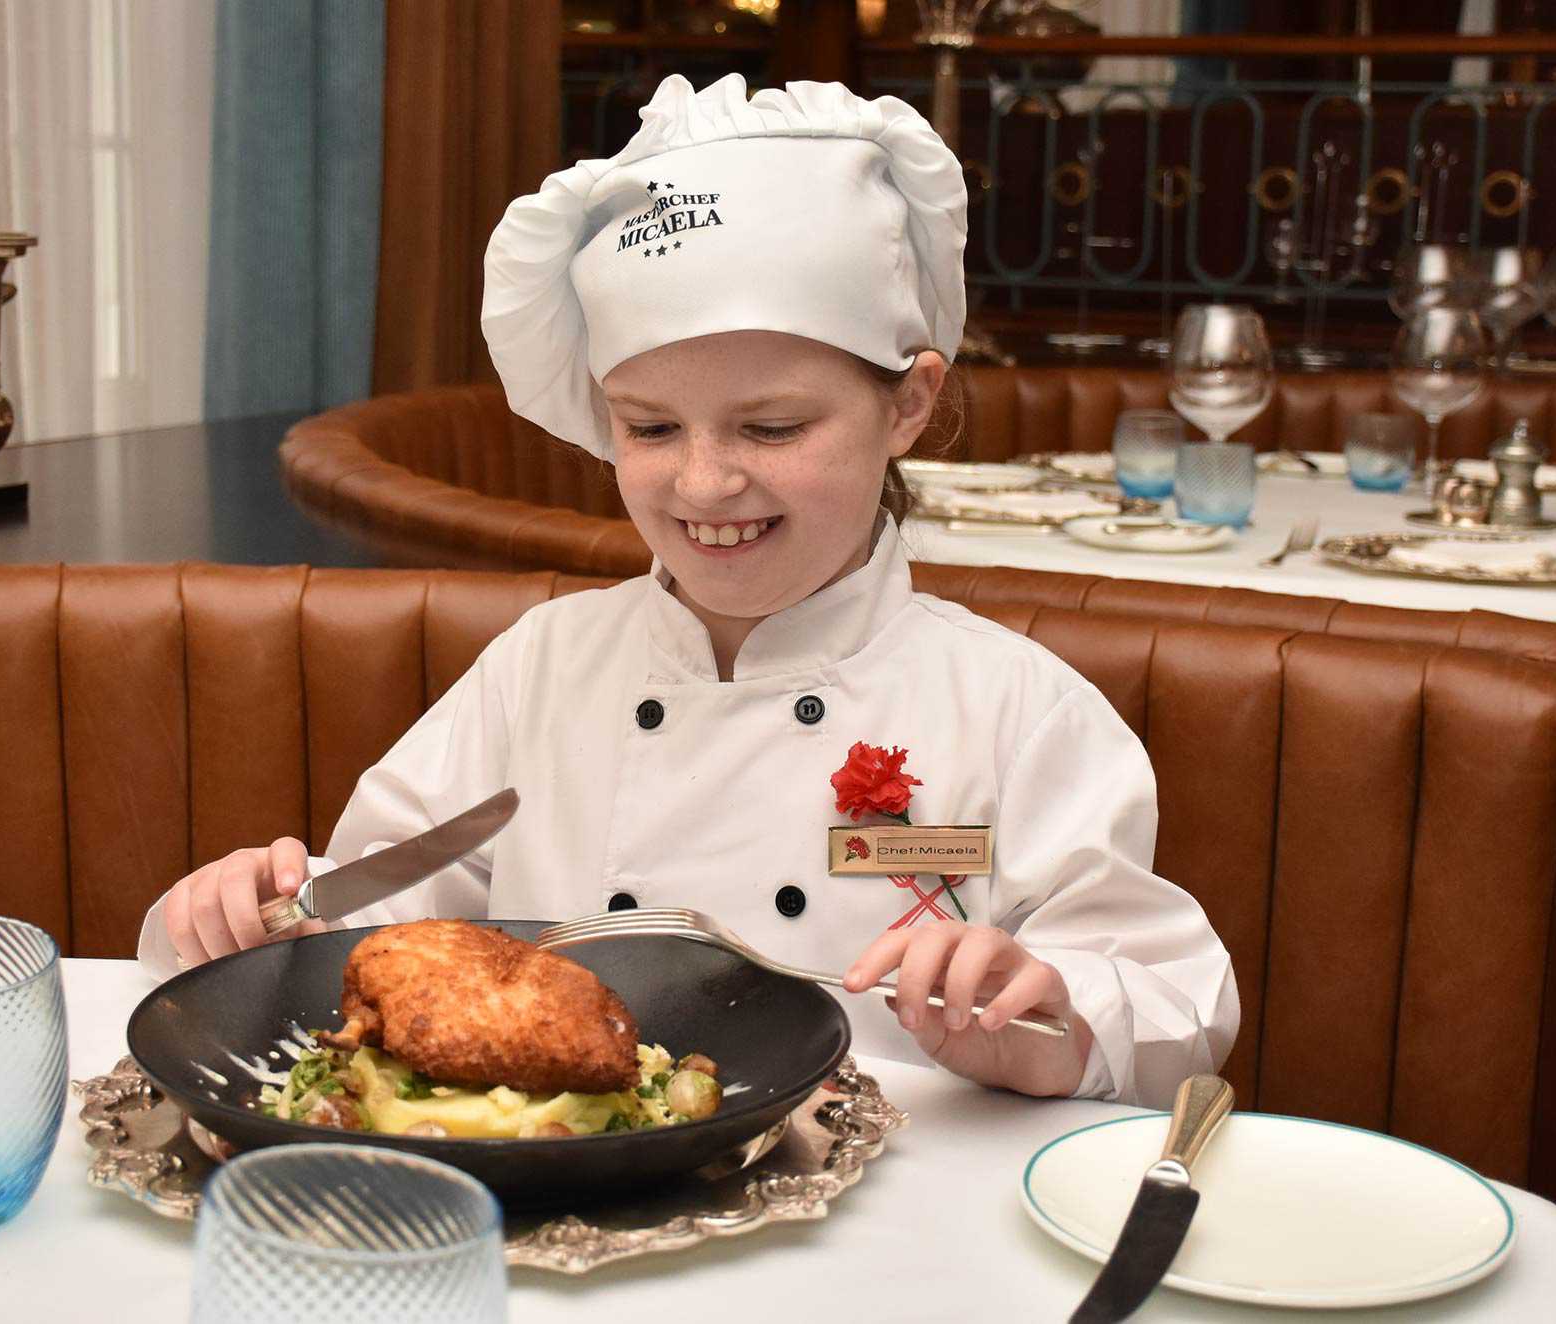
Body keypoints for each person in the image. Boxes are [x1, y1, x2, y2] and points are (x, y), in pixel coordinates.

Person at [139, 74, 1236, 1104]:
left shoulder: (1016, 708)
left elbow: (1170, 1000)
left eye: (771, 426)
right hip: (577, 1192)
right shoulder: (543, 666)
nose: (705, 481)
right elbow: (377, 919)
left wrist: (1050, 1017)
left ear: (908, 403)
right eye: (649, 426)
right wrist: (264, 920)